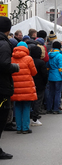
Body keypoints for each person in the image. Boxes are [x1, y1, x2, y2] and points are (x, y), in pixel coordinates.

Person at [0, 17, 20, 159]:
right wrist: (15, 67)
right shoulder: (4, 44)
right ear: (8, 30)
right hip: (1, 88)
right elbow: (4, 65)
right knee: (1, 118)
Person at [11, 41, 38, 134]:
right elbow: (34, 72)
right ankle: (25, 127)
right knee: (26, 107)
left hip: (15, 86)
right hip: (27, 87)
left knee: (17, 106)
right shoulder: (28, 58)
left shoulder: (11, 58)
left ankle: (18, 128)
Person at [46, 41, 62, 114]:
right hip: (58, 76)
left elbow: (47, 65)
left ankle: (49, 108)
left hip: (51, 75)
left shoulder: (49, 54)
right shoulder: (59, 55)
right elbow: (61, 68)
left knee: (50, 93)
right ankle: (56, 108)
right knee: (57, 93)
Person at [30, 45, 48, 126]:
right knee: (38, 101)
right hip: (40, 84)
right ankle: (35, 118)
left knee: (30, 102)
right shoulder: (41, 62)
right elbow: (44, 74)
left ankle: (29, 116)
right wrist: (45, 83)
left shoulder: (30, 61)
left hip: (30, 83)